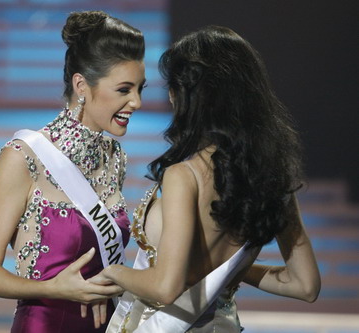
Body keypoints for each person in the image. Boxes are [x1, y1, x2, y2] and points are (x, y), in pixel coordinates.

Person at [98, 25, 321, 332]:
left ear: (189, 97)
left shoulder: (185, 176)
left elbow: (166, 287)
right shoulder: (274, 177)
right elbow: (305, 285)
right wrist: (230, 273)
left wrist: (111, 273)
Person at [0, 10, 146, 332]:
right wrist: (53, 288)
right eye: (124, 90)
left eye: (140, 89)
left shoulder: (115, 157)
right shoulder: (24, 157)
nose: (136, 102)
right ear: (81, 85)